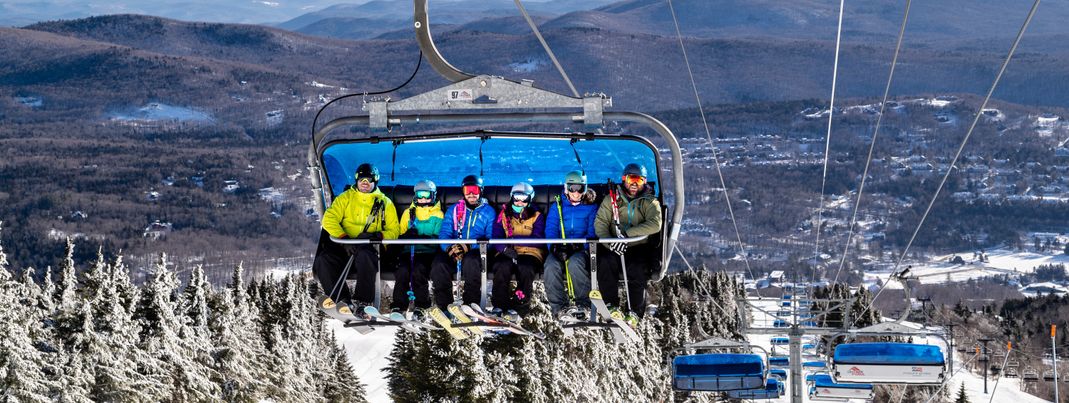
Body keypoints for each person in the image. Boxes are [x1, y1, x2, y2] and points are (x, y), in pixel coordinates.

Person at [313, 163, 400, 314]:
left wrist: (378, 236)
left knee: (366, 255)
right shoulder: (345, 198)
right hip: (345, 243)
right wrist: (343, 238)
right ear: (356, 181)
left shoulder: (384, 203)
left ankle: (363, 301)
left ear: (375, 182)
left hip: (368, 245)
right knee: (324, 259)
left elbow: (394, 230)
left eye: (368, 181)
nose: (364, 184)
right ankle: (342, 300)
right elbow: (329, 219)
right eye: (361, 181)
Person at [595, 163, 662, 322]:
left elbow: (655, 224)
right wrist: (610, 242)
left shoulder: (649, 202)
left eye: (638, 181)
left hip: (637, 246)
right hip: (613, 245)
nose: (634, 184)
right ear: (624, 179)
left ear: (644, 182)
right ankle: (610, 304)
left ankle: (635, 312)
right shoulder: (611, 199)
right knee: (605, 262)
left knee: (637, 268)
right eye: (631, 179)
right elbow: (600, 224)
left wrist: (627, 234)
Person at [430, 174, 496, 309]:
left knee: (471, 262)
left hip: (476, 252)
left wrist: (468, 246)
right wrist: (448, 247)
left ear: (481, 191)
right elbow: (444, 232)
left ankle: (470, 304)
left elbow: (491, 239)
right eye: (467, 191)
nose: (471, 194)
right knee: (439, 264)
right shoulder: (454, 210)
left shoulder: (488, 212)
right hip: (455, 249)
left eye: (475, 190)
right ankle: (445, 306)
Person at [544, 171, 598, 318]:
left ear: (585, 189)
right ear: (566, 188)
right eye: (572, 188)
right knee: (550, 265)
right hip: (561, 246)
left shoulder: (591, 207)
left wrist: (578, 247)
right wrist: (554, 247)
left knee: (575, 263)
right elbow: (551, 228)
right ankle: (559, 308)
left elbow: (593, 231)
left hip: (582, 249)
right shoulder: (558, 206)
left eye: (580, 188)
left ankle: (584, 304)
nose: (576, 193)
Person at [491, 182, 546, 314]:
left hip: (531, 253)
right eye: (516, 198)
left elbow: (539, 240)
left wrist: (516, 240)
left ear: (530, 199)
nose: (519, 202)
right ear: (511, 197)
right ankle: (499, 305)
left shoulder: (536, 216)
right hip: (508, 252)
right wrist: (504, 249)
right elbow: (496, 236)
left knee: (525, 268)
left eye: (524, 199)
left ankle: (519, 306)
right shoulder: (504, 215)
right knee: (501, 266)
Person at [392, 180, 444, 313]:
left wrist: (421, 238)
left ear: (433, 195)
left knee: (419, 270)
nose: (423, 199)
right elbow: (399, 234)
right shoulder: (408, 213)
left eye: (426, 195)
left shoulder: (438, 215)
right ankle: (399, 305)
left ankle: (421, 306)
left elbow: (438, 237)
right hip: (408, 251)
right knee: (402, 271)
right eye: (420, 195)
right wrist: (407, 236)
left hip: (427, 253)